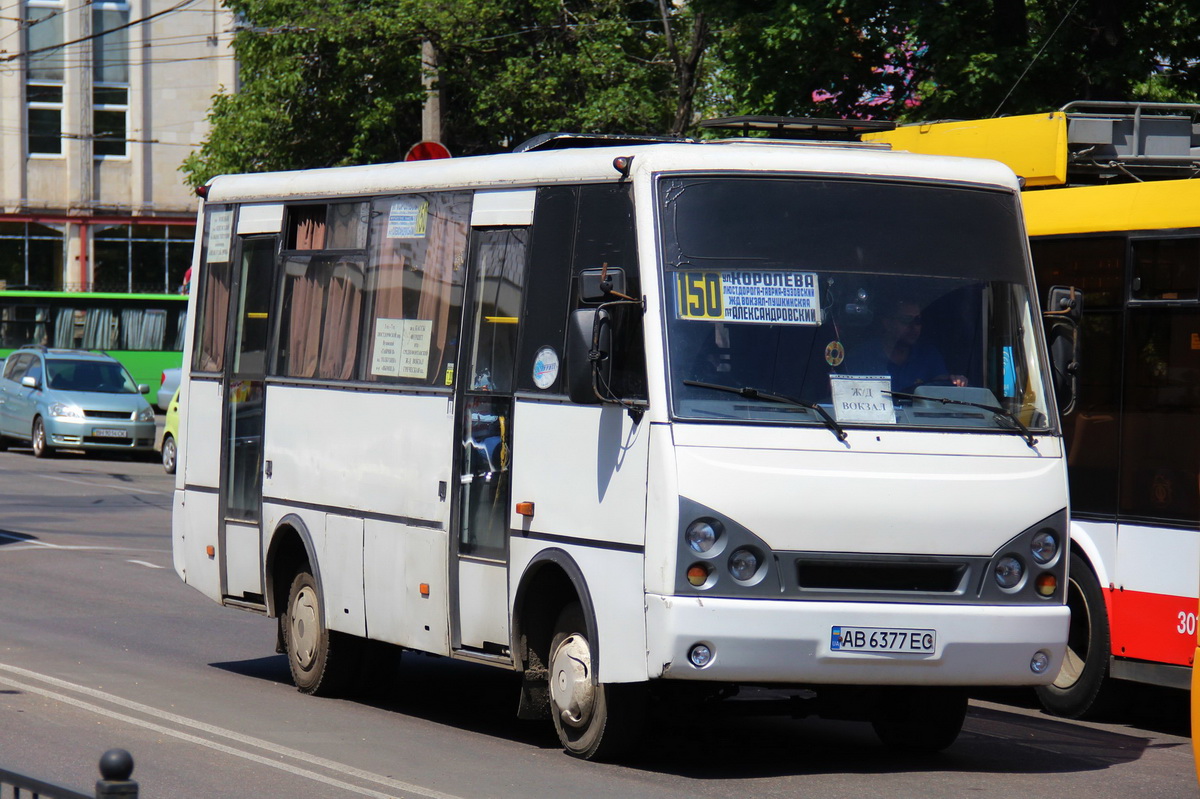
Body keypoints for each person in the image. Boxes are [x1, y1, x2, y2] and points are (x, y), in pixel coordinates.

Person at [871, 299, 966, 392]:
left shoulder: (928, 355)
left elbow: (940, 387)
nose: (914, 327)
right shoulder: (865, 357)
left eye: (917, 320)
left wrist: (955, 382)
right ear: (888, 324)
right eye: (907, 320)